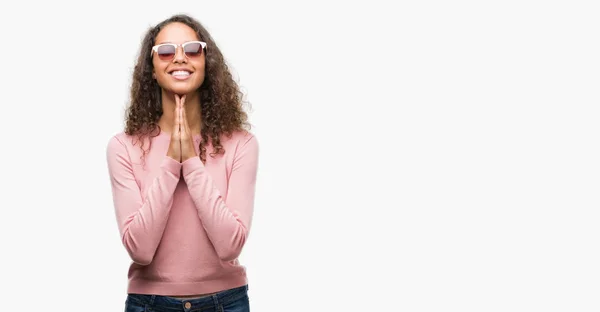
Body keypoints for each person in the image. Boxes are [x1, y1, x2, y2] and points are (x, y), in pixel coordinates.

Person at [106, 13, 258, 312]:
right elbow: (140, 250)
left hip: (226, 302)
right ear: (151, 68)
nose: (179, 58)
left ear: (206, 62)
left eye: (191, 49)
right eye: (165, 51)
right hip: (149, 303)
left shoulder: (241, 144)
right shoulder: (123, 146)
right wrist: (171, 161)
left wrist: (190, 160)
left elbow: (230, 246)